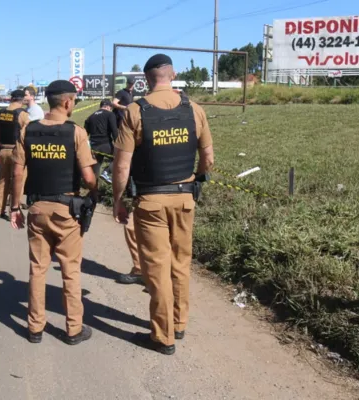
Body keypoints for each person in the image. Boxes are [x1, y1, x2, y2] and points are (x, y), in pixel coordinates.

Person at [111, 54, 215, 355]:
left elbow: (121, 167)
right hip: (184, 198)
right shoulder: (194, 109)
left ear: (145, 80)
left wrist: (118, 201)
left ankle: (162, 336)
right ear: (174, 75)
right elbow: (208, 158)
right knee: (181, 263)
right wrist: (195, 180)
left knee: (156, 267)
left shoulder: (134, 111)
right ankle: (179, 324)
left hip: (150, 201)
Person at [9, 80, 98, 345]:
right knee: (70, 271)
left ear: (48, 100)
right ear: (68, 102)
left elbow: (17, 172)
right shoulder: (76, 133)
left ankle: (35, 328)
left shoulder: (29, 130)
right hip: (66, 212)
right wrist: (94, 192)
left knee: (38, 269)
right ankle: (73, 329)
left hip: (36, 208)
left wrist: (15, 207)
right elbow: (88, 176)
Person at [0, 89, 29, 218]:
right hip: (17, 151)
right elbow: (27, 134)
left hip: (3, 150)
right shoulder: (22, 114)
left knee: (3, 180)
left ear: (11, 99)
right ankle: (14, 211)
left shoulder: (1, 113)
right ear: (22, 100)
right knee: (18, 181)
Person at [84, 99, 118, 183]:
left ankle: (93, 193)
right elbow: (114, 130)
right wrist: (118, 144)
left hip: (93, 146)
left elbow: (85, 134)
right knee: (120, 159)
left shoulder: (90, 117)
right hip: (105, 144)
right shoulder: (110, 114)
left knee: (95, 172)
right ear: (108, 107)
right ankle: (106, 172)